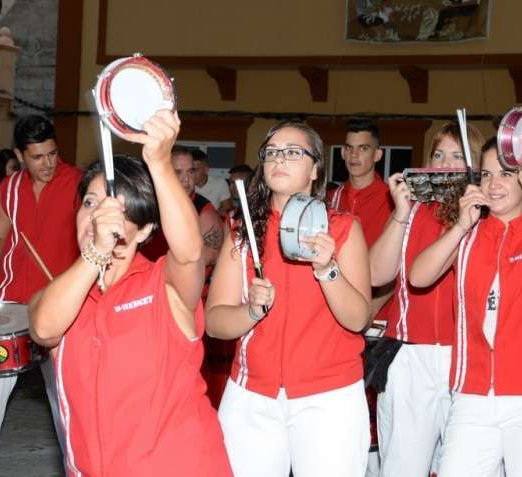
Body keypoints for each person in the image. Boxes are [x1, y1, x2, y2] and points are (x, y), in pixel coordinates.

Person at [29, 110, 232, 476]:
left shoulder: (163, 285)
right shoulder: (63, 295)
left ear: (145, 229)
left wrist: (160, 163)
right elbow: (44, 329)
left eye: (119, 209)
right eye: (90, 203)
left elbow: (190, 253)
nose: (98, 216)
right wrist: (95, 253)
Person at [206, 120, 372, 477]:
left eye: (294, 152)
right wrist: (251, 311)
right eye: (272, 153)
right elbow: (215, 323)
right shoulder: (242, 231)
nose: (280, 159)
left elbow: (358, 319)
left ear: (315, 169)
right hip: (252, 396)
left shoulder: (343, 228)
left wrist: (327, 268)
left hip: (329, 396)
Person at [410, 137, 522, 477]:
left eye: (506, 174)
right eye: (486, 174)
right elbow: (419, 277)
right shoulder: (469, 234)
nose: (493, 184)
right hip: (472, 394)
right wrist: (460, 225)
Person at [0, 115, 82, 477]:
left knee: (66, 399)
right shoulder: (10, 187)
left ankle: (80, 468)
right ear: (19, 155)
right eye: (37, 157)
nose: (47, 163)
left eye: (52, 153)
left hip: (60, 307)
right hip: (11, 305)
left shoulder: (78, 184)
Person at [368, 121, 482, 477]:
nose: (445, 164)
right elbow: (376, 275)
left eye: (457, 156)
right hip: (410, 354)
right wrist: (400, 213)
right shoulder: (414, 208)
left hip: (467, 355)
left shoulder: (486, 213)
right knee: (402, 466)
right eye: (438, 155)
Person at [141, 146, 223, 266]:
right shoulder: (149, 202)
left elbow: (212, 255)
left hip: (175, 276)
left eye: (190, 171)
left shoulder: (204, 210)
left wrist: (163, 271)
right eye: (178, 172)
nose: (186, 179)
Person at [328, 118, 393, 247]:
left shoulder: (393, 202)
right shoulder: (330, 199)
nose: (354, 155)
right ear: (343, 152)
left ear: (377, 155)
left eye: (363, 148)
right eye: (349, 148)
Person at [193, 148, 232, 214]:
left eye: (196, 169)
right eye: (191, 169)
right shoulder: (185, 185)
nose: (192, 173)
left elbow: (228, 209)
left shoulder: (220, 183)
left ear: (206, 170)